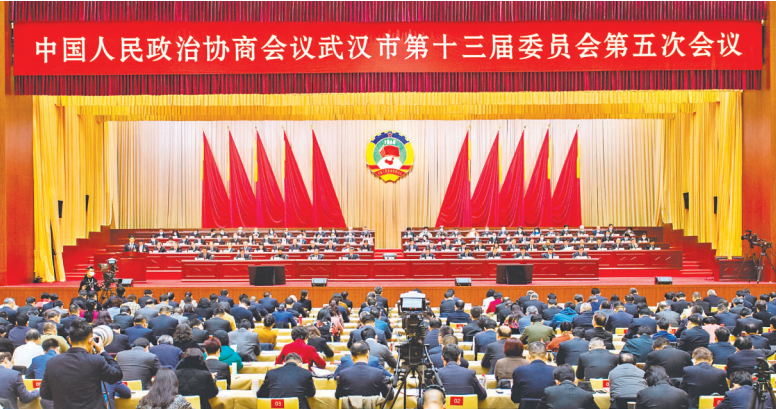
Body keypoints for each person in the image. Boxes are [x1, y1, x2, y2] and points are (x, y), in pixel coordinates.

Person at [39, 320, 123, 408]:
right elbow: (117, 375)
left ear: (69, 340)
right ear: (91, 341)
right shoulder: (96, 361)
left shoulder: (52, 362)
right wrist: (102, 351)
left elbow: (45, 394)